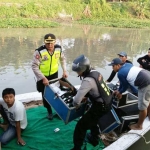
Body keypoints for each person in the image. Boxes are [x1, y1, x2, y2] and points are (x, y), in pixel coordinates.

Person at [71, 55, 112, 150]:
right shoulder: (95, 72)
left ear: (84, 69)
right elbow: (97, 88)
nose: (78, 73)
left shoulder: (87, 80)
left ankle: (77, 148)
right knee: (93, 120)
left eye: (78, 71)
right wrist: (87, 96)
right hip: (108, 102)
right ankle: (94, 138)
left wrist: (76, 106)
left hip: (100, 106)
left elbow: (77, 100)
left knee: (80, 126)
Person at [32, 33, 68, 120]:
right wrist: (43, 78)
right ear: (44, 42)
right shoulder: (39, 52)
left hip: (54, 75)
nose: (50, 45)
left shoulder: (58, 49)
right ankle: (49, 111)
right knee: (45, 95)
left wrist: (64, 70)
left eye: (52, 43)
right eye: (47, 43)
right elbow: (34, 66)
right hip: (42, 77)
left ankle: (59, 110)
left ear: (55, 42)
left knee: (57, 92)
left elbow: (63, 59)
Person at [108, 58, 150, 130]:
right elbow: (123, 83)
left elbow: (125, 86)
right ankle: (149, 115)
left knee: (142, 107)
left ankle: (139, 125)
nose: (112, 68)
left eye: (113, 66)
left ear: (118, 65)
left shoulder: (120, 73)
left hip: (145, 83)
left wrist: (120, 92)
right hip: (147, 75)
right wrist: (119, 90)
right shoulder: (127, 64)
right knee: (148, 100)